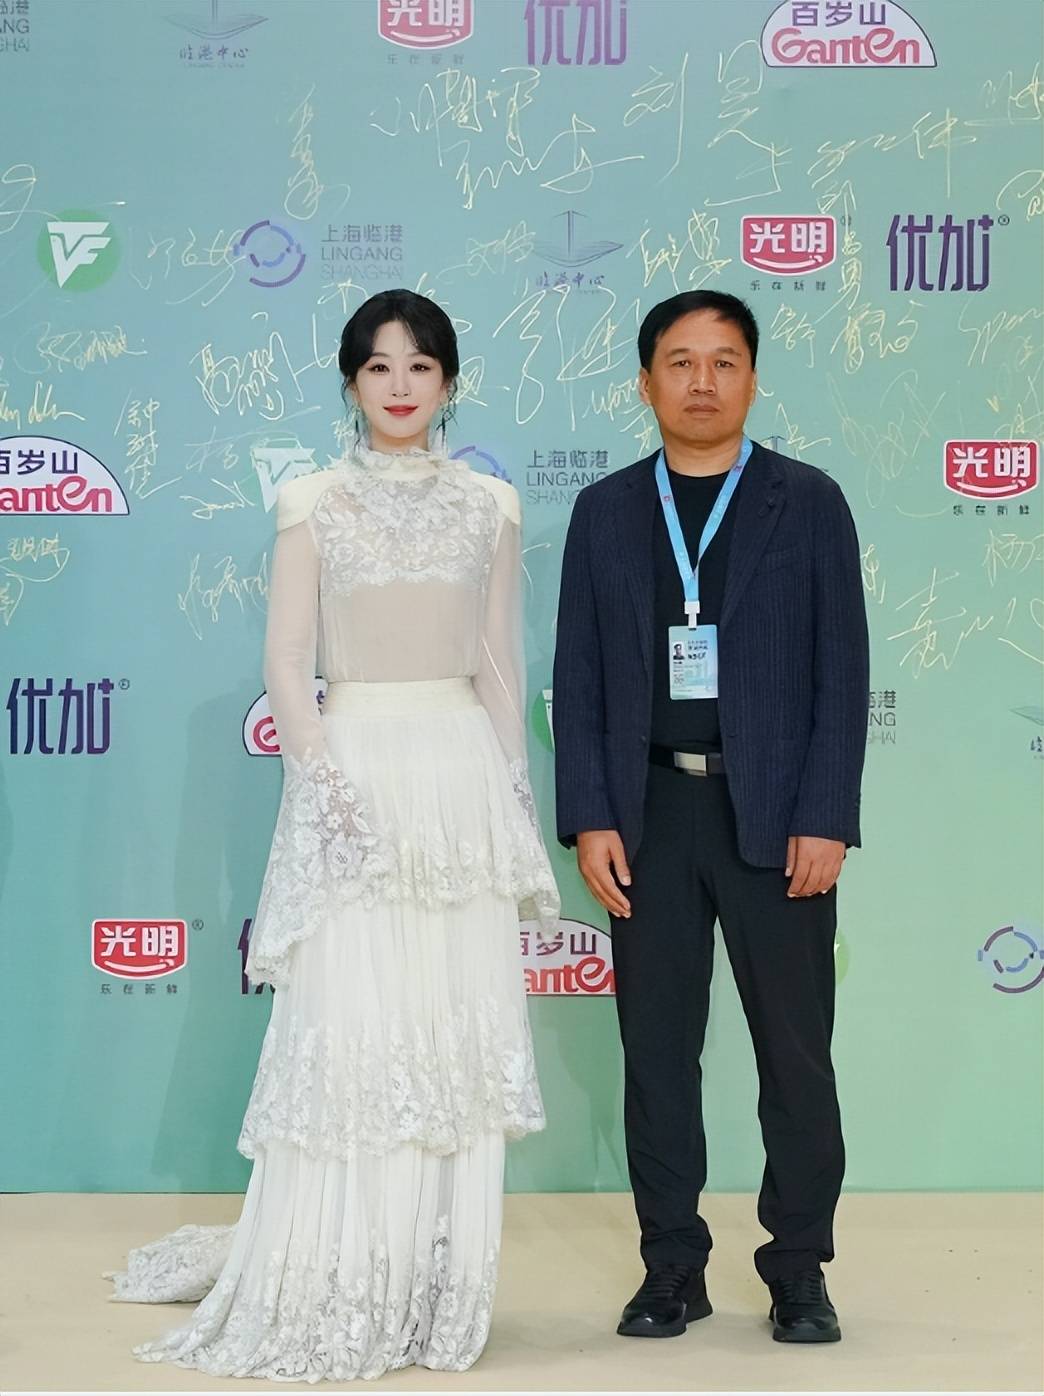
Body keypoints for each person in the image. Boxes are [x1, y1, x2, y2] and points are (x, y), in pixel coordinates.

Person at [104, 289, 560, 1380]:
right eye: (379, 367)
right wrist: (325, 789)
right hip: (353, 770)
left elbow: (497, 663)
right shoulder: (309, 500)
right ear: (351, 383)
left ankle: (435, 1289)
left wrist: (509, 795)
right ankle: (340, 1271)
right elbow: (286, 661)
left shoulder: (492, 504)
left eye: (421, 366)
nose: (401, 386)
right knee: (356, 1027)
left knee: (451, 1029)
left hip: (457, 782)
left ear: (449, 381)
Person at [552, 290, 869, 1345]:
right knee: (655, 1054)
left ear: (753, 378)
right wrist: (592, 815)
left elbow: (842, 673)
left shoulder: (808, 502)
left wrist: (825, 815)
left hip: (777, 819)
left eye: (724, 361)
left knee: (796, 1057)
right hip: (648, 815)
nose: (702, 382)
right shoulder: (606, 511)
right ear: (646, 383)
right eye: (680, 362)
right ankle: (671, 1267)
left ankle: (799, 1268)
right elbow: (579, 678)